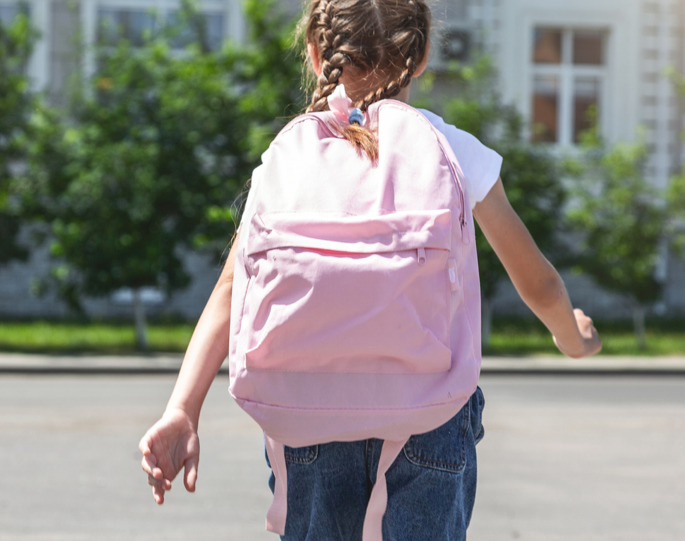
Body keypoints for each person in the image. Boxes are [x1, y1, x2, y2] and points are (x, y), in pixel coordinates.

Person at [139, 0, 602, 539]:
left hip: (305, 416)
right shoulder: (452, 150)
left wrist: (182, 409)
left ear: (316, 54)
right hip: (429, 413)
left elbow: (229, 289)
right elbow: (538, 280)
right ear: (423, 55)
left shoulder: (287, 159)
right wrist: (574, 338)